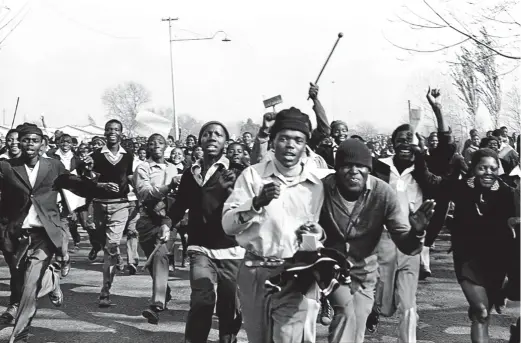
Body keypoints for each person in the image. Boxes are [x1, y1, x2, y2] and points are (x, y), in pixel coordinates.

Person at [223, 107, 330, 343]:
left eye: (298, 140)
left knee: (286, 337)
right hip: (255, 272)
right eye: (284, 138)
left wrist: (317, 233)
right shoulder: (252, 176)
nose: (291, 145)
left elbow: (323, 230)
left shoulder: (316, 185)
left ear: (305, 146)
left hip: (295, 274)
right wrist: (257, 202)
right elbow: (228, 226)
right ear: (273, 141)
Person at [320, 139, 434, 343]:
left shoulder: (383, 193)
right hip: (329, 272)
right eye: (346, 165)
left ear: (368, 170)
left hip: (363, 272)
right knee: (345, 316)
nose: (353, 171)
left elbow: (405, 243)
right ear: (337, 169)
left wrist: (417, 232)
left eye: (360, 166)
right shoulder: (322, 189)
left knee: (356, 328)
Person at [366, 88, 450, 341]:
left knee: (408, 302)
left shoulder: (425, 169)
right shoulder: (379, 166)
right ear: (393, 144)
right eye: (401, 139)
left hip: (412, 241)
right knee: (387, 304)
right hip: (382, 241)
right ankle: (375, 308)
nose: (406, 142)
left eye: (411, 139)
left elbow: (445, 147)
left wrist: (436, 109)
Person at [169, 121, 244, 343]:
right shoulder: (190, 173)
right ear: (200, 140)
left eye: (218, 134)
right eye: (207, 134)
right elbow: (180, 203)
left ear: (225, 142)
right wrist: (167, 223)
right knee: (202, 298)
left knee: (229, 306)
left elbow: (249, 205)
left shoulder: (236, 173)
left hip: (231, 250)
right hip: (200, 247)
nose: (212, 137)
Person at [0, 123, 71, 343]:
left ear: (42, 144)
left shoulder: (53, 165)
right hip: (14, 232)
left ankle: (19, 334)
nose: (26, 144)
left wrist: (96, 185)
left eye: (34, 140)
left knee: (30, 284)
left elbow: (72, 183)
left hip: (43, 233)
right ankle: (51, 280)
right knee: (19, 276)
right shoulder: (5, 166)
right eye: (20, 140)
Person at [440, 148, 516, 343]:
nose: (488, 172)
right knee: (481, 312)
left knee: (483, 313)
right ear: (473, 168)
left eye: (493, 168)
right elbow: (433, 180)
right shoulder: (459, 189)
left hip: (496, 261)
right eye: (483, 168)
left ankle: (501, 291)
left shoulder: (509, 194)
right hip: (467, 259)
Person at [82, 119, 134, 307]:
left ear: (121, 133)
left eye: (116, 129)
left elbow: (131, 178)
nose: (112, 132)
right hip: (99, 206)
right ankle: (116, 257)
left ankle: (105, 291)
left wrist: (140, 195)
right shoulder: (95, 155)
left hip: (120, 205)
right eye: (109, 129)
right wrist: (100, 183)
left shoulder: (128, 156)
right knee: (107, 249)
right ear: (104, 133)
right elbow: (87, 183)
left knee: (111, 246)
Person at [134, 133, 180, 324]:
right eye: (152, 143)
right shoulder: (143, 168)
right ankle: (164, 290)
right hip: (147, 220)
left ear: (167, 145)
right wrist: (168, 187)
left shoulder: (174, 167)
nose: (156, 146)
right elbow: (144, 194)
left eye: (160, 142)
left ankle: (157, 303)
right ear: (148, 147)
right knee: (153, 261)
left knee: (161, 254)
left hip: (168, 221)